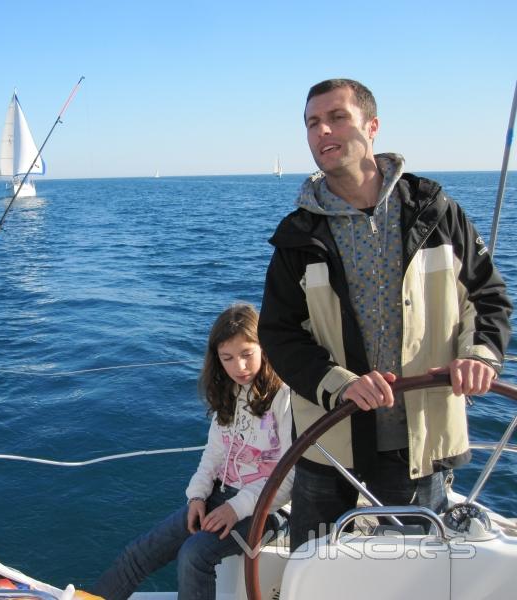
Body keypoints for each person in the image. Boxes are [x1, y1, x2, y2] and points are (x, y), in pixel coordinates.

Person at [258, 78, 513, 551]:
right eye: (312, 122)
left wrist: (479, 354)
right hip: (329, 444)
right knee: (315, 573)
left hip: (419, 442)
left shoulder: (435, 211)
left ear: (372, 127)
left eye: (337, 117)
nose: (322, 131)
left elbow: (488, 296)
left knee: (413, 578)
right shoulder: (297, 235)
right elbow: (278, 334)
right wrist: (341, 383)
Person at [92, 303, 292, 600]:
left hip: (269, 510)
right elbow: (213, 454)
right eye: (228, 358)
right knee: (139, 553)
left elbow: (288, 477)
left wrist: (235, 508)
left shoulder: (284, 397)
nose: (239, 367)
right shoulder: (229, 392)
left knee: (194, 556)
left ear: (263, 347)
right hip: (219, 496)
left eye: (247, 354)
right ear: (217, 360)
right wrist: (197, 496)